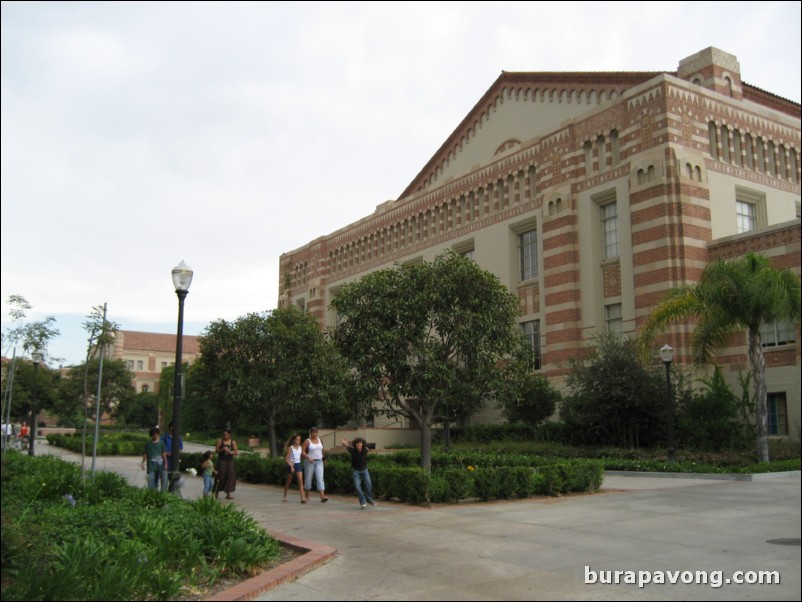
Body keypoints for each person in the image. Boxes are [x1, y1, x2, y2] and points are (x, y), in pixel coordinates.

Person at [342, 437, 377, 509]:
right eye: (357, 443)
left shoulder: (365, 450)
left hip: (364, 470)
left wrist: (368, 448)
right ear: (355, 444)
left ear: (362, 444)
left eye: (360, 443)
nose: (359, 445)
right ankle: (363, 501)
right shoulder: (352, 450)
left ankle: (369, 499)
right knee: (357, 485)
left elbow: (372, 446)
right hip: (356, 471)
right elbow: (347, 446)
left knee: (368, 483)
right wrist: (345, 443)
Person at [302, 427, 328, 502]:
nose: (315, 434)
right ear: (310, 433)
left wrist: (324, 459)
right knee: (308, 479)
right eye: (313, 432)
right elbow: (303, 451)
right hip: (309, 462)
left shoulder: (320, 440)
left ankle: (322, 496)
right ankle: (307, 494)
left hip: (319, 461)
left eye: (316, 432)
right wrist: (308, 457)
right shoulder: (307, 441)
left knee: (320, 478)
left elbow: (322, 451)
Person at [214, 429, 238, 499]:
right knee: (220, 476)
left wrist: (230, 452)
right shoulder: (220, 441)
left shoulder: (233, 442)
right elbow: (216, 450)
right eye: (224, 434)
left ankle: (228, 493)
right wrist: (222, 449)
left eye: (226, 434)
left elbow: (236, 452)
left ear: (229, 435)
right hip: (221, 461)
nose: (225, 436)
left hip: (229, 461)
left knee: (229, 476)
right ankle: (216, 492)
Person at [283, 434, 306, 503]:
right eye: (297, 440)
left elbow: (301, 456)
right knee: (288, 481)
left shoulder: (300, 448)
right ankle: (285, 495)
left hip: (298, 464)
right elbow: (286, 459)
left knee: (300, 481)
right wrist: (291, 466)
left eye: (299, 440)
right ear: (294, 440)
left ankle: (302, 497)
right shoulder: (291, 448)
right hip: (292, 464)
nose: (299, 441)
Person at [162, 422, 183, 491]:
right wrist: (167, 453)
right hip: (165, 462)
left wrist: (175, 454)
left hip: (174, 462)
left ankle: (172, 494)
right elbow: (160, 448)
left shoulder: (178, 438)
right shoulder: (164, 437)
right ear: (171, 428)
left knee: (174, 481)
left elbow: (180, 449)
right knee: (164, 482)